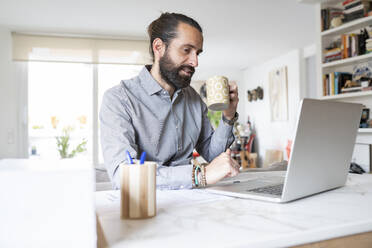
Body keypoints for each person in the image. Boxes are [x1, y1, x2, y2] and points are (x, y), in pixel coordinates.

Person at [100, 12, 240, 190]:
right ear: (159, 47)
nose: (195, 62)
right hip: (143, 205)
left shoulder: (193, 99)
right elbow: (123, 176)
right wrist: (198, 175)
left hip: (192, 201)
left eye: (198, 53)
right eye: (186, 50)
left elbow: (213, 156)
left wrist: (228, 117)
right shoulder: (119, 99)